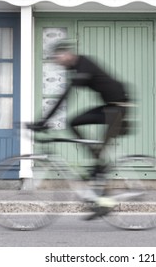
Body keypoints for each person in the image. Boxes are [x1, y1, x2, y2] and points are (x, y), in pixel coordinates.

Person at [28, 40, 132, 220]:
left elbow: (65, 97)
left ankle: (103, 195)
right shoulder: (74, 69)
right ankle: (102, 199)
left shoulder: (84, 65)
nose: (58, 62)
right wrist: (43, 121)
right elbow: (64, 94)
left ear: (67, 54)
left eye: (58, 58)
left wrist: (44, 121)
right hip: (108, 107)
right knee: (74, 123)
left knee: (100, 158)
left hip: (119, 108)